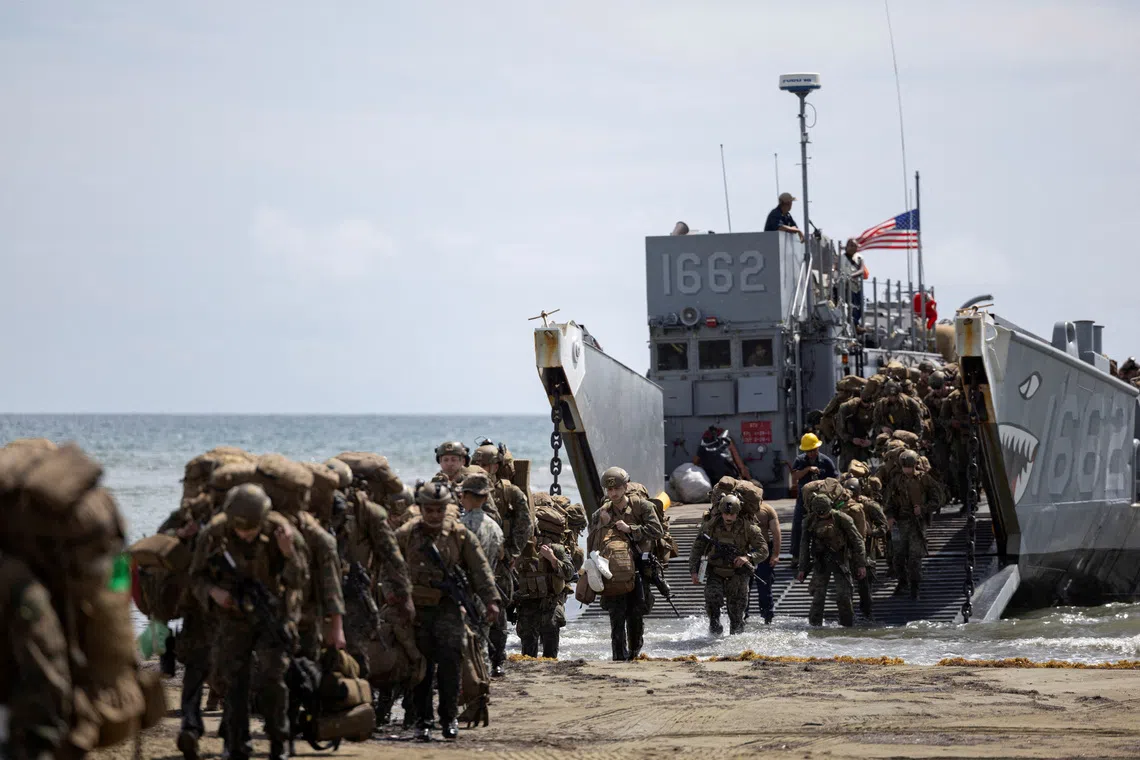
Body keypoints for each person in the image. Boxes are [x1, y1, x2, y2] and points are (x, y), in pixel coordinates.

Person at [190, 484, 309, 760]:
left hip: (272, 616)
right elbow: (196, 576)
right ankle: (236, 743)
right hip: (233, 616)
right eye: (240, 528)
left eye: (252, 528)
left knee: (273, 678)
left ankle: (279, 742)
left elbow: (301, 579)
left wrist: (288, 553)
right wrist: (213, 592)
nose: (246, 533)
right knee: (234, 680)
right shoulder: (214, 533)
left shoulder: (282, 531)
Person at [396, 481, 500, 743]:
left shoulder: (459, 535)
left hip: (447, 609)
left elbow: (480, 569)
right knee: (420, 666)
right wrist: (395, 597)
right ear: (420, 508)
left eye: (439, 510)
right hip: (415, 609)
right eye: (429, 510)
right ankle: (422, 721)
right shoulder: (406, 534)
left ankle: (449, 717)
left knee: (451, 663)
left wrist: (491, 600)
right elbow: (389, 568)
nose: (434, 516)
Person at [588, 466, 663, 661]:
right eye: (609, 490)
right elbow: (592, 543)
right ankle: (618, 657)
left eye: (617, 489)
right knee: (616, 615)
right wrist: (602, 524)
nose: (613, 493)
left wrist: (631, 529)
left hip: (639, 568)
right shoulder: (601, 513)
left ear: (625, 487)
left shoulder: (642, 507)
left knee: (636, 614)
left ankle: (635, 652)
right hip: (613, 570)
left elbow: (657, 530)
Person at [471, 443, 532, 677]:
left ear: (496, 466)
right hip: (473, 556)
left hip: (501, 560)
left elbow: (524, 523)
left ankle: (497, 659)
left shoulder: (509, 491)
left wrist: (513, 552)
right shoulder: (466, 488)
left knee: (499, 610)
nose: (482, 468)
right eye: (477, 464)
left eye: (485, 464)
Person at [690, 495, 769, 635]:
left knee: (737, 616)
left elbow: (764, 550)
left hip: (738, 574)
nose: (728, 517)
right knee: (712, 604)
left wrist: (748, 557)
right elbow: (697, 548)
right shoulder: (711, 526)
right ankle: (714, 635)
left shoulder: (749, 528)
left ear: (737, 513)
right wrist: (694, 571)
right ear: (721, 512)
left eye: (732, 514)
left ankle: (735, 648)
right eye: (726, 513)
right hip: (715, 571)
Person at [514, 503, 575, 658]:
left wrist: (553, 559)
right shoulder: (520, 549)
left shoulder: (557, 549)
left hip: (549, 605)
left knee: (550, 654)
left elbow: (569, 573)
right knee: (527, 655)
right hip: (527, 606)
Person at [796, 493, 867, 627]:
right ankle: (814, 625)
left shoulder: (842, 518)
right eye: (819, 513)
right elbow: (804, 545)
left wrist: (861, 564)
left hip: (841, 560)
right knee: (818, 596)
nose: (822, 516)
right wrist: (802, 568)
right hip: (821, 561)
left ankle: (847, 626)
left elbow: (857, 541)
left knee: (844, 596)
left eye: (824, 513)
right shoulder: (809, 521)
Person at [884, 450, 941, 599]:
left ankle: (915, 587)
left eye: (909, 466)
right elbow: (889, 502)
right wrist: (890, 516)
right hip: (900, 523)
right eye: (904, 466)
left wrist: (923, 509)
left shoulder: (924, 479)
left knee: (915, 558)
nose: (907, 470)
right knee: (898, 557)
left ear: (915, 465)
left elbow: (938, 499)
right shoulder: (896, 481)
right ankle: (903, 582)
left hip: (917, 523)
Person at [789, 433, 838, 569]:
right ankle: (796, 556)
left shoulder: (826, 461)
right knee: (798, 526)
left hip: (823, 501)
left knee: (826, 526)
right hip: (804, 501)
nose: (811, 453)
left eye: (813, 450)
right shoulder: (800, 460)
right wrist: (808, 469)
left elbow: (835, 480)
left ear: (817, 449)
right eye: (808, 451)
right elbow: (795, 475)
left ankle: (826, 555)